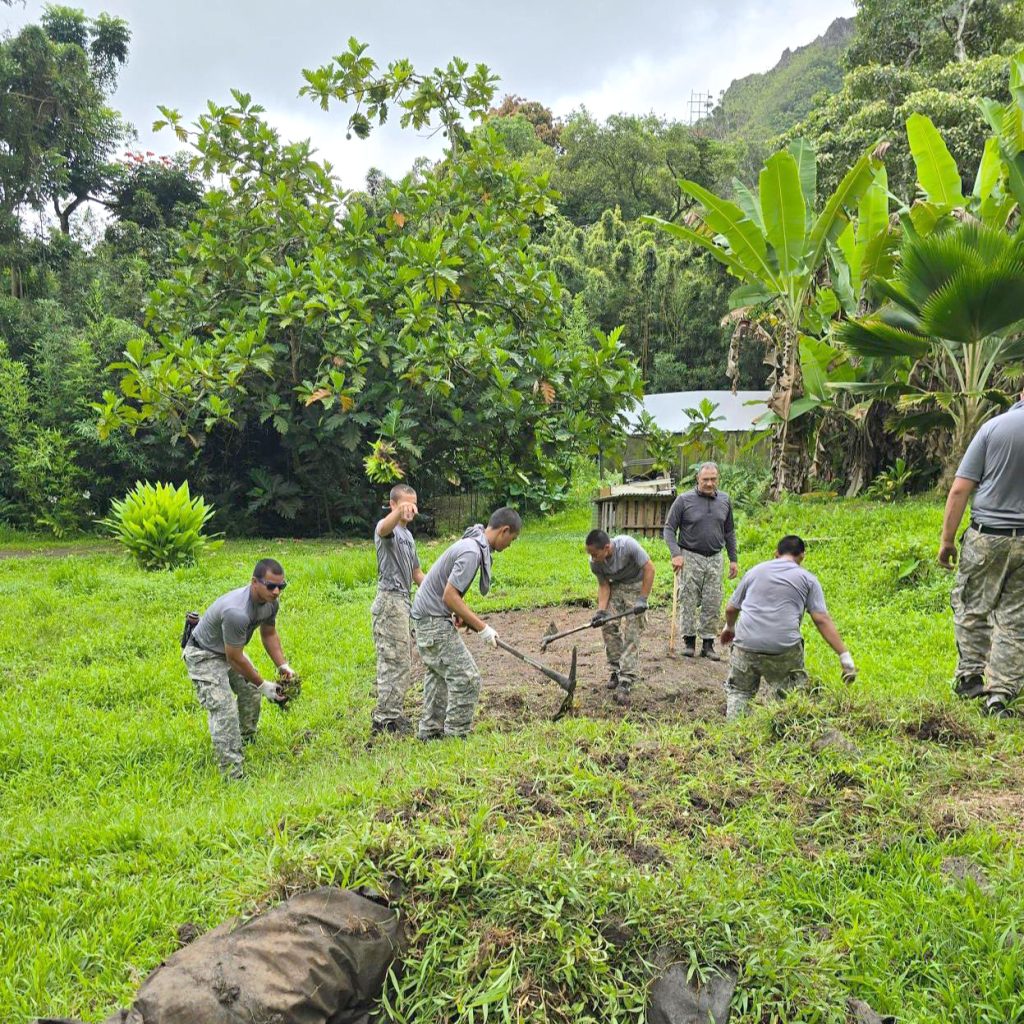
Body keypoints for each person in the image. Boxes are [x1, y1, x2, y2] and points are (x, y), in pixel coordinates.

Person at [938, 389, 1024, 717]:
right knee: (1016, 619)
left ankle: (971, 677)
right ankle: (999, 695)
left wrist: (947, 541)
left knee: (972, 606)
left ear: (1020, 392)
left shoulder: (993, 427)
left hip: (989, 537)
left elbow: (960, 488)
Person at [410, 507, 522, 740]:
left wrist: (456, 612)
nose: (510, 545)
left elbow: (450, 596)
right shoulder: (472, 551)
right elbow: (449, 596)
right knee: (468, 677)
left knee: (438, 675)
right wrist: (483, 628)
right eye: (512, 539)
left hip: (427, 616)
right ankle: (456, 737)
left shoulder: (472, 542)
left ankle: (429, 732)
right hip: (432, 621)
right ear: (504, 530)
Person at [719, 535, 856, 719]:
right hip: (783, 649)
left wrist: (729, 627)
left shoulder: (755, 571)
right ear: (802, 556)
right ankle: (783, 731)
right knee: (788, 695)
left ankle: (734, 736)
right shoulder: (808, 579)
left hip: (746, 645)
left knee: (740, 692)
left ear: (776, 553)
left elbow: (731, 608)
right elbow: (821, 619)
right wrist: (844, 656)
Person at [183, 558, 295, 779]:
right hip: (203, 654)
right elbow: (235, 658)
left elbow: (269, 634)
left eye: (281, 586)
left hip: (229, 650)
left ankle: (246, 739)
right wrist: (264, 685)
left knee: (250, 692)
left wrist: (283, 666)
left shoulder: (271, 603)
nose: (276, 591)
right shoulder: (237, 611)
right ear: (254, 582)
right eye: (270, 586)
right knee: (224, 710)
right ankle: (232, 773)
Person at [663, 461, 738, 661]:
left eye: (713, 479)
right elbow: (669, 529)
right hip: (690, 556)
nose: (709, 483)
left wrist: (733, 559)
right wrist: (675, 553)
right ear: (698, 479)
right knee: (687, 598)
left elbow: (729, 531)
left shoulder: (724, 500)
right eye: (705, 479)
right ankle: (688, 642)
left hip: (715, 557)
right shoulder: (683, 500)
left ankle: (708, 643)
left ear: (718, 479)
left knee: (712, 601)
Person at [371, 483, 426, 737]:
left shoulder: (409, 536)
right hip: (389, 601)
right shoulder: (388, 529)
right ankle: (384, 721)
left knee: (403, 661)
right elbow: (383, 528)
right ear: (392, 504)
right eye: (405, 505)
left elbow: (416, 573)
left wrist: (436, 592)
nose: (410, 510)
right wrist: (396, 514)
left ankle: (392, 714)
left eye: (413, 505)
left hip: (404, 601)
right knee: (392, 661)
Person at [586, 529, 656, 705]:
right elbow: (604, 586)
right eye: (590, 554)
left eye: (595, 554)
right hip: (616, 588)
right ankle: (616, 670)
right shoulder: (595, 563)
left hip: (637, 586)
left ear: (607, 548)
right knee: (608, 625)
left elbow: (649, 568)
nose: (593, 558)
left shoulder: (627, 545)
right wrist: (601, 611)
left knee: (633, 631)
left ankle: (627, 678)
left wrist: (642, 599)